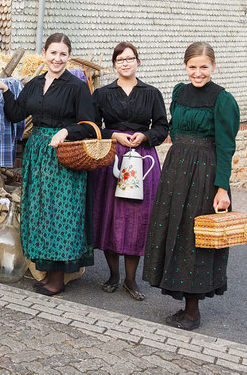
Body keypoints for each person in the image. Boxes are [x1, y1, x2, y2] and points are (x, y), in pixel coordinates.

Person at [0, 33, 96, 296]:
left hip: (63, 155)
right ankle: (48, 272)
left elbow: (89, 126)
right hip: (37, 153)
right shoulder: (36, 84)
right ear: (44, 53)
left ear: (68, 56)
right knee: (39, 211)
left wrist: (67, 131)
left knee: (60, 213)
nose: (57, 58)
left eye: (63, 54)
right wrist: (5, 90)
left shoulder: (77, 86)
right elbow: (16, 113)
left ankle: (58, 277)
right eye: (53, 53)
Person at [143, 42, 240, 330]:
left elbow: (226, 147)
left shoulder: (223, 99)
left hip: (205, 174)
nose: (198, 73)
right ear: (185, 66)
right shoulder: (178, 92)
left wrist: (222, 188)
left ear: (213, 66)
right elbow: (174, 129)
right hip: (176, 171)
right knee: (174, 230)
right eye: (192, 67)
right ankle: (184, 304)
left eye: (204, 67)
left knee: (194, 238)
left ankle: (193, 312)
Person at [90, 42, 169, 301]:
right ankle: (113, 275)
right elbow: (91, 127)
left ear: (138, 61)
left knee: (136, 217)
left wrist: (144, 136)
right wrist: (114, 135)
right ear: (114, 64)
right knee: (110, 215)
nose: (125, 63)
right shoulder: (102, 94)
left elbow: (161, 128)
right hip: (112, 156)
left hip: (141, 160)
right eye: (120, 59)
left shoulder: (151, 93)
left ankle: (131, 279)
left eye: (130, 58)